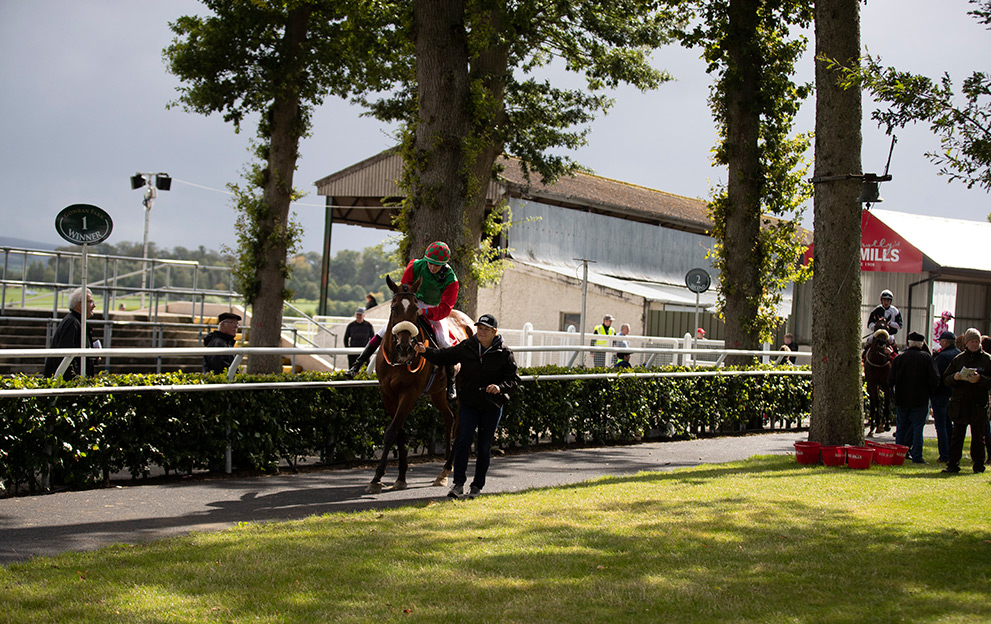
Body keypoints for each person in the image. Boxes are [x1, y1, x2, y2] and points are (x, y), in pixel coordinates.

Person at [414, 313, 520, 499]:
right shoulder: (468, 346)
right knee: (462, 442)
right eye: (479, 328)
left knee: (484, 447)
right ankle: (458, 484)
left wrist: (499, 387)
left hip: (491, 405)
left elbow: (513, 380)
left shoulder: (504, 353)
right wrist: (425, 351)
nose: (481, 332)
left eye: (486, 329)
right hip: (469, 403)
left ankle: (477, 486)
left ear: (494, 332)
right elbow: (445, 356)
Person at [346, 241, 460, 401]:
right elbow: (404, 288)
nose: (433, 268)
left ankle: (451, 385)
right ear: (426, 259)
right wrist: (413, 308)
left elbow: (445, 309)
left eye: (437, 266)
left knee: (444, 342)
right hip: (412, 302)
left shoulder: (451, 280)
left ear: (444, 265)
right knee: (384, 330)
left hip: (435, 309)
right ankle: (357, 365)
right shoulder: (415, 265)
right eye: (430, 264)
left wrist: (425, 311)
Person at [941, 327, 990, 474]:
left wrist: (981, 379)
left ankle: (979, 466)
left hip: (979, 404)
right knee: (957, 437)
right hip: (960, 404)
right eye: (972, 341)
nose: (975, 344)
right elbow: (945, 379)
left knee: (978, 438)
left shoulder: (987, 360)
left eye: (977, 341)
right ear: (966, 343)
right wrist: (955, 377)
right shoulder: (958, 359)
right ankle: (953, 465)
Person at [890, 331, 939, 463]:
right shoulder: (927, 358)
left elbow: (891, 380)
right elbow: (934, 378)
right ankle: (917, 455)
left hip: (902, 398)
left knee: (901, 427)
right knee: (918, 428)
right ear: (921, 344)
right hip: (920, 398)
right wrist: (930, 393)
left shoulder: (899, 358)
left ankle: (899, 453)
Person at [44, 287, 99, 379]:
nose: (94, 305)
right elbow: (65, 355)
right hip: (67, 383)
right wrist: (74, 381)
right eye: (90, 302)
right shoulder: (72, 323)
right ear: (79, 305)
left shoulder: (76, 321)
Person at [931, 330, 960, 463]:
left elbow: (937, 375)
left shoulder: (942, 357)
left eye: (941, 341)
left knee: (941, 425)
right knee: (950, 425)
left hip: (941, 394)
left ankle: (944, 454)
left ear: (946, 342)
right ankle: (952, 452)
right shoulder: (959, 354)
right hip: (954, 394)